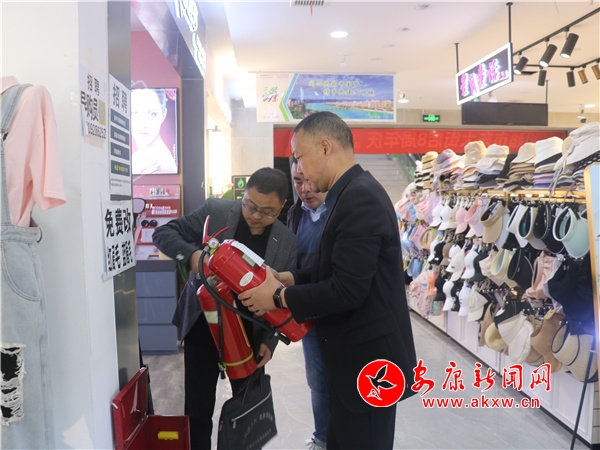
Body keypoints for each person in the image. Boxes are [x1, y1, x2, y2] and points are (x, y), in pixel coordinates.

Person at [239, 112, 417, 449]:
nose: (300, 171)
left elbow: (347, 290)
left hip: (369, 368)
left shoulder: (359, 197)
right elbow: (337, 269)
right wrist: (289, 278)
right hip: (351, 363)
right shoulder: (347, 194)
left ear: (325, 147)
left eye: (299, 157)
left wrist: (277, 297)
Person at [152, 167, 297, 449]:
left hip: (250, 333)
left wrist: (270, 341)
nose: (256, 216)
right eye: (250, 206)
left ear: (281, 206)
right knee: (198, 410)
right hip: (203, 324)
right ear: (244, 195)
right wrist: (194, 257)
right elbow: (163, 233)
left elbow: (280, 297)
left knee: (247, 410)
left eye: (267, 211)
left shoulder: (287, 242)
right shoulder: (216, 211)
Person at [287, 157, 329, 450]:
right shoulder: (295, 214)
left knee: (343, 379)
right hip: (308, 311)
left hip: (339, 308)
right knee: (317, 378)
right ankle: (322, 437)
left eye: (310, 180)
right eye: (298, 181)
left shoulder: (341, 213)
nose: (305, 188)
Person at [131, 88, 178, 174]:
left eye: (152, 114)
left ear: (163, 115)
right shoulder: (138, 159)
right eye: (134, 113)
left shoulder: (155, 166)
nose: (142, 124)